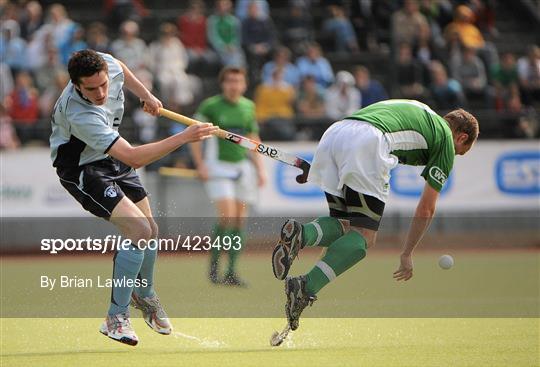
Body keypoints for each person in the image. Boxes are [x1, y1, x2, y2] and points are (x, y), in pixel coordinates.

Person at [49, 49, 217, 346]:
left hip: (111, 155)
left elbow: (121, 68)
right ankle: (115, 318)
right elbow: (134, 158)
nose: (101, 92)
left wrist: (147, 95)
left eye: (103, 84)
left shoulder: (106, 66)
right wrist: (184, 136)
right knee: (137, 229)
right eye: (92, 88)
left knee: (151, 230)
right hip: (84, 169)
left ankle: (145, 293)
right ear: (76, 85)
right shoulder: (78, 113)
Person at [271, 99, 478, 332]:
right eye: (461, 152)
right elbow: (426, 209)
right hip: (369, 141)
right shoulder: (446, 141)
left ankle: (302, 234)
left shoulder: (421, 111)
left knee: (345, 224)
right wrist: (407, 252)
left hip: (335, 133)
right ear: (461, 138)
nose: (455, 155)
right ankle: (305, 285)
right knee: (365, 236)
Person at [190, 66, 266, 286]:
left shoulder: (248, 106)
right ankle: (214, 267)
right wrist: (200, 164)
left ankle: (231, 272)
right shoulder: (211, 106)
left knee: (240, 221)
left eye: (238, 81)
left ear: (244, 84)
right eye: (230, 81)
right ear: (223, 84)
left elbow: (253, 138)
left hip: (242, 169)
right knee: (228, 217)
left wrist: (260, 169)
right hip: (217, 168)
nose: (234, 85)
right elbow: (195, 135)